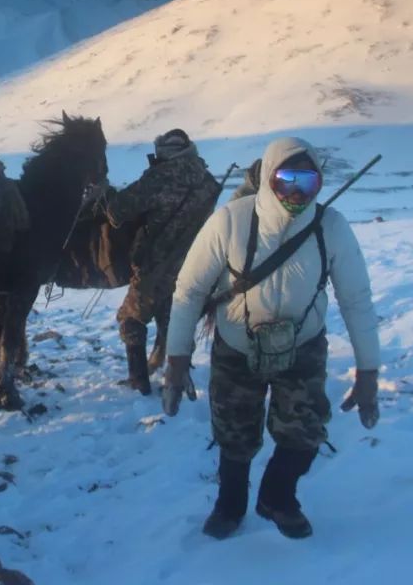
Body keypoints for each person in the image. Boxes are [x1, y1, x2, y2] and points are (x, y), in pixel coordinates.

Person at [160, 136, 381, 540]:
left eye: (308, 182)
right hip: (238, 347)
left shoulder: (330, 228)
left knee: (305, 431)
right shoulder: (230, 221)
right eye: (287, 179)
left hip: (303, 347)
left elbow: (357, 300)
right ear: (267, 178)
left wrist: (369, 371)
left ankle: (278, 496)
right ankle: (230, 505)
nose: (296, 192)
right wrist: (177, 359)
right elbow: (189, 291)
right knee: (234, 434)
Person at [98, 129, 221, 395]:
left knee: (131, 318)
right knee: (173, 318)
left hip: (155, 265)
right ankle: (178, 375)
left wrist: (106, 193)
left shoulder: (159, 179)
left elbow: (117, 212)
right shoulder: (208, 180)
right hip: (193, 265)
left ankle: (139, 379)